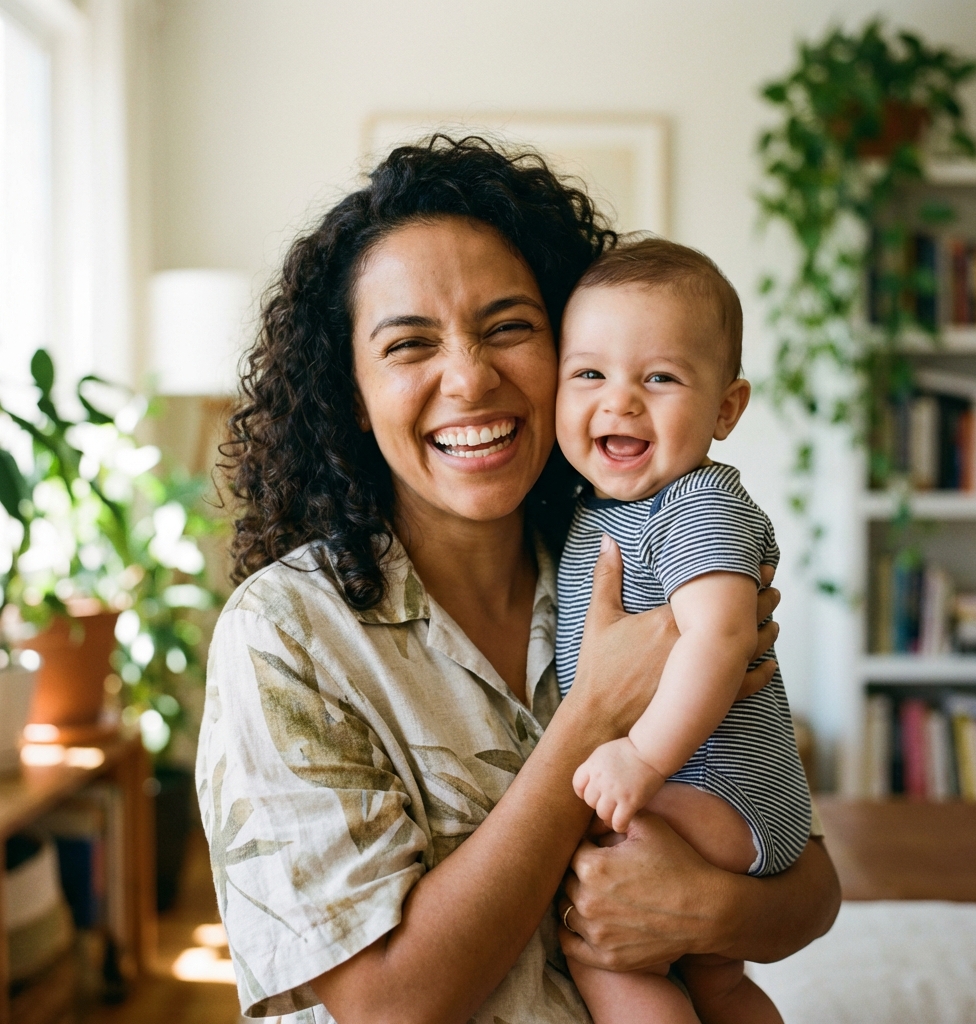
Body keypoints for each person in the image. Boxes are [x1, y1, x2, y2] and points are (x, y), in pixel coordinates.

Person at [197, 135, 840, 1024]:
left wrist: (706, 911)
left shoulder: (648, 567)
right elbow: (388, 1007)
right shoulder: (286, 636)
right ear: (350, 390)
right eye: (408, 344)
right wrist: (593, 718)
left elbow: (809, 883)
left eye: (509, 328)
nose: (469, 377)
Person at [554, 238, 811, 1023]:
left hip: (712, 788)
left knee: (602, 943)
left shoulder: (696, 505)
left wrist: (641, 754)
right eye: (590, 373)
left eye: (659, 378)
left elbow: (719, 639)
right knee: (717, 980)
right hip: (708, 789)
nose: (621, 401)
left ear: (726, 409)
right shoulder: (603, 509)